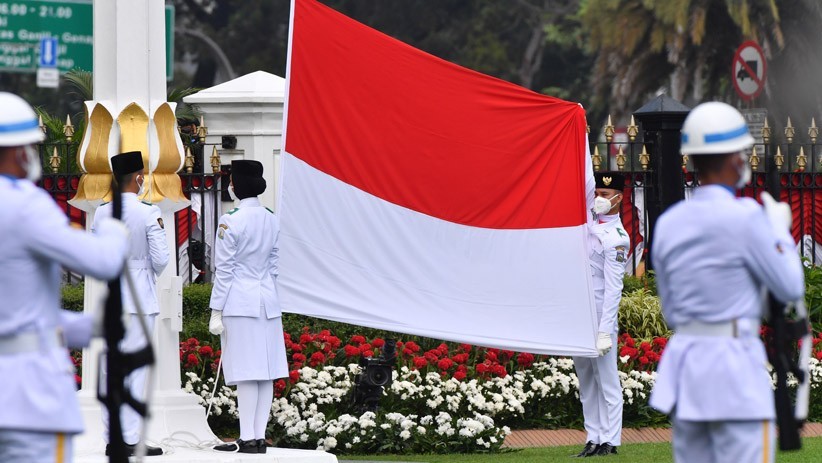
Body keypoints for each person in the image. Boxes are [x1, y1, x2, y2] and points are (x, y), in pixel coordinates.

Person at [650, 102, 805, 463]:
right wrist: (779, 231)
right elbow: (790, 287)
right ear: (736, 159)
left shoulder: (670, 222)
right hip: (735, 374)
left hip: (688, 374)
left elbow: (671, 309)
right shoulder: (748, 218)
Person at [0, 92, 129, 462]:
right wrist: (115, 230)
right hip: (27, 401)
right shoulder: (24, 203)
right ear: (20, 150)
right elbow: (104, 262)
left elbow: (18, 310)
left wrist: (88, 328)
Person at [210, 160, 288, 454]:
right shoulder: (271, 218)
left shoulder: (231, 220)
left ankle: (247, 437)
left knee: (246, 372)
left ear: (236, 185)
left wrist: (216, 309)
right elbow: (274, 266)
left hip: (240, 302)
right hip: (268, 301)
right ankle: (257, 437)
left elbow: (225, 270)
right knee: (265, 371)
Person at [93, 151, 168, 457]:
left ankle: (113, 437)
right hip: (138, 299)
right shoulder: (149, 212)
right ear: (138, 178)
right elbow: (162, 260)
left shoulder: (101, 212)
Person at [572, 171, 629, 457]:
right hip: (581, 313)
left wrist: (606, 329)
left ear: (619, 198)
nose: (599, 199)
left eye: (606, 195)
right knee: (586, 380)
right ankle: (593, 437)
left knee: (606, 379)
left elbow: (613, 289)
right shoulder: (589, 223)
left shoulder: (617, 238)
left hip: (599, 316)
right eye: (598, 194)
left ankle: (611, 440)